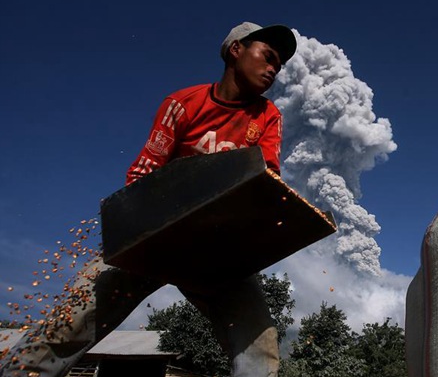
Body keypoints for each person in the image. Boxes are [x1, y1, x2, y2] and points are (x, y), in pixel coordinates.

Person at [1, 21, 297, 377]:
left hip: (218, 250)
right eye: (268, 56)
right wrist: (152, 222)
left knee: (260, 347)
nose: (273, 70)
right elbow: (141, 176)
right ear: (236, 50)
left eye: (279, 65)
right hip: (155, 237)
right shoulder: (182, 104)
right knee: (68, 324)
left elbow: (266, 177)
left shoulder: (267, 116)